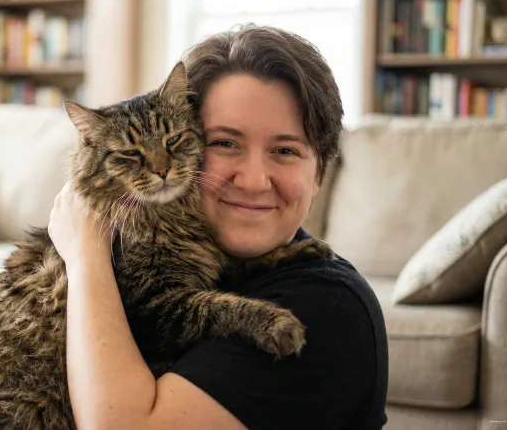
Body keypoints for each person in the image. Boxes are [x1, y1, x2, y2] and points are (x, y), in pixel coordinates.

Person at [48, 24, 389, 430]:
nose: (252, 181)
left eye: (285, 150)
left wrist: (85, 258)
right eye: (226, 143)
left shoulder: (328, 307)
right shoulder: (173, 241)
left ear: (320, 172)